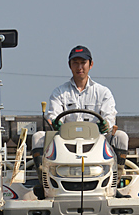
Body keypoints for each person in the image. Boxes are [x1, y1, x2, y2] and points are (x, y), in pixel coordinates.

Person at [31, 45, 128, 174]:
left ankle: (115, 182)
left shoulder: (103, 92)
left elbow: (109, 117)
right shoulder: (59, 92)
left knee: (121, 136)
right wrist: (55, 122)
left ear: (91, 64)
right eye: (75, 63)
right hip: (65, 141)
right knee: (38, 136)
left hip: (97, 140)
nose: (79, 67)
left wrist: (106, 125)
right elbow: (53, 115)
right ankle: (44, 184)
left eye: (83, 63)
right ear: (69, 65)